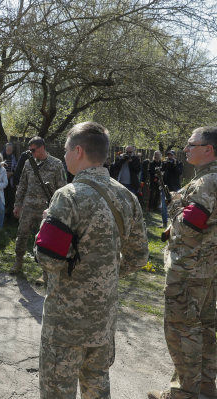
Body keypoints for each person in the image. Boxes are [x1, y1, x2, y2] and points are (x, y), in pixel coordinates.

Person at [34, 121, 148, 399]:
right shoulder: (127, 196)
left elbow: (49, 261)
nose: (63, 156)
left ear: (79, 151)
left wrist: (44, 227)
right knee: (97, 390)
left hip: (66, 324)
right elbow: (139, 257)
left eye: (65, 150)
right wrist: (105, 272)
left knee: (56, 392)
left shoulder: (68, 196)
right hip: (103, 319)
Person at [148, 127, 217, 399]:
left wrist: (176, 206)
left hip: (189, 271)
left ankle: (183, 393)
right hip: (209, 270)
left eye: (191, 144)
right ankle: (206, 388)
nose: (186, 149)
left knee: (181, 332)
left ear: (208, 149)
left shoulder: (205, 182)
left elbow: (189, 227)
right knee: (206, 329)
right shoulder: (207, 180)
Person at [11, 136, 66, 284]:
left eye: (34, 150)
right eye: (30, 150)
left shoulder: (56, 164)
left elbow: (61, 187)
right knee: (21, 235)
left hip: (46, 208)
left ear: (42, 147)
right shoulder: (29, 163)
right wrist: (18, 204)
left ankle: (45, 273)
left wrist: (57, 208)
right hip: (28, 207)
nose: (31, 152)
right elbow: (22, 185)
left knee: (45, 241)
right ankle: (18, 261)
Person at [2, 143, 18, 224]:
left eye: (11, 149)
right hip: (0, 181)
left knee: (9, 200)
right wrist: (4, 174)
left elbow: (16, 167)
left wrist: (11, 173)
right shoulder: (0, 156)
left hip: (9, 182)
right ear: (5, 148)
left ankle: (8, 218)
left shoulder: (13, 157)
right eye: (8, 148)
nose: (9, 150)